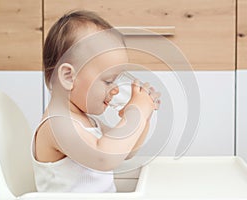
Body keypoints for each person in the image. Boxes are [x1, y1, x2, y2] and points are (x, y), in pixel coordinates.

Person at [31, 10, 161, 193]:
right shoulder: (57, 124)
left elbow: (125, 151)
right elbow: (104, 158)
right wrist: (135, 112)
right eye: (108, 81)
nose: (115, 89)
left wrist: (142, 117)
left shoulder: (86, 121)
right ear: (69, 76)